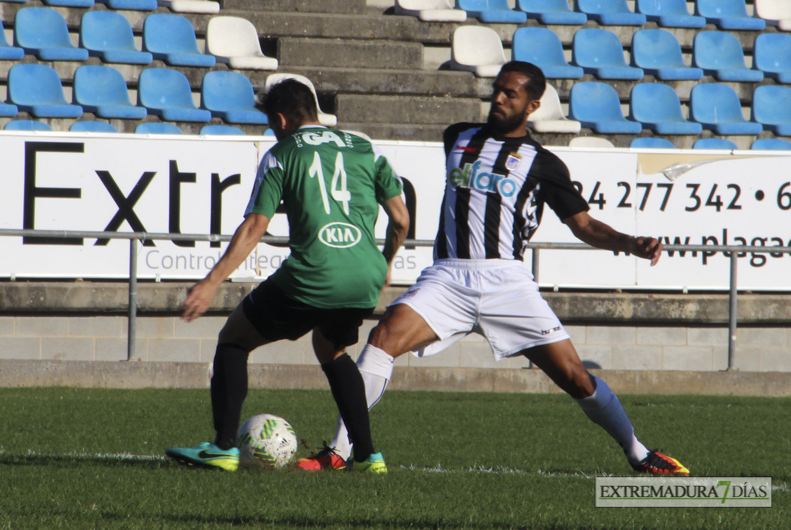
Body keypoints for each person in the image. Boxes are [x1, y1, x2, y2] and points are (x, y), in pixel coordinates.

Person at [297, 61, 689, 477]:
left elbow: (584, 225)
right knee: (383, 338)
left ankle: (640, 454)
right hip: (448, 276)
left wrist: (630, 243)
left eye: (510, 94)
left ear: (533, 104)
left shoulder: (545, 164)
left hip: (506, 281)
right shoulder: (458, 137)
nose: (498, 99)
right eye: (497, 90)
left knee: (576, 377)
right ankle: (339, 450)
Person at [165, 79, 410, 474]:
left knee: (233, 340)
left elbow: (254, 227)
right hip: (364, 274)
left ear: (280, 119)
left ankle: (224, 446)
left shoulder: (282, 153)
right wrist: (385, 265)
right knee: (332, 350)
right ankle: (368, 457)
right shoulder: (367, 148)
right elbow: (400, 219)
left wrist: (210, 283)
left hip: (314, 273)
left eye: (271, 124)